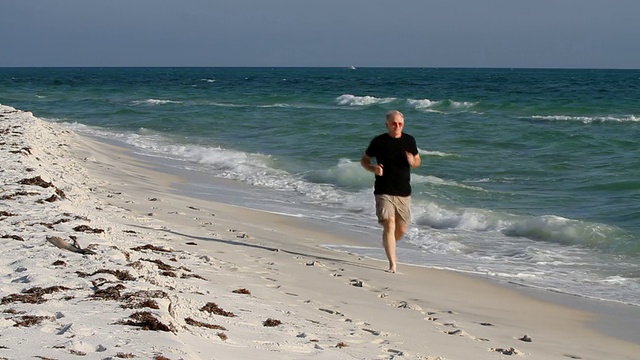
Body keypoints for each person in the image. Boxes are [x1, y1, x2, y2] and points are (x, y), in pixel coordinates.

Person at [360, 110, 421, 273]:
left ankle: (389, 244)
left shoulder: (409, 140)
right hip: (383, 190)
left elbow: (417, 161)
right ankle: (392, 264)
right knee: (389, 224)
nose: (397, 126)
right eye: (394, 123)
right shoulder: (379, 142)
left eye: (400, 124)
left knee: (402, 229)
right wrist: (373, 168)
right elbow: (364, 160)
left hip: (403, 191)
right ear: (387, 124)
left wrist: (412, 161)